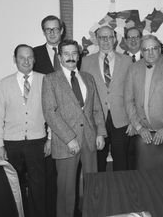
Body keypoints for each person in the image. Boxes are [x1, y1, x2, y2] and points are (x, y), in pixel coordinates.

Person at [42, 39, 107, 217]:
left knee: (93, 186)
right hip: (65, 143)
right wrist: (69, 139)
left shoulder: (88, 78)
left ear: (78, 56)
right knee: (66, 190)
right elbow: (50, 113)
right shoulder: (50, 80)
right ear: (60, 56)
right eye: (66, 54)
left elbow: (96, 108)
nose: (71, 57)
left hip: (90, 139)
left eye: (74, 53)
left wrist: (100, 132)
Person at [0, 44, 50, 217]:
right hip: (10, 143)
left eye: (30, 57)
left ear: (35, 59)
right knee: (12, 185)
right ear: (14, 59)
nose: (26, 61)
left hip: (37, 141)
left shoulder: (45, 80)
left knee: (38, 186)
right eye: (21, 57)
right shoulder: (4, 84)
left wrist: (51, 138)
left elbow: (52, 112)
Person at [81, 25, 132, 172]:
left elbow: (132, 92)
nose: (105, 40)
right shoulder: (86, 61)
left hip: (122, 119)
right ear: (97, 39)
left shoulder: (127, 61)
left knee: (121, 162)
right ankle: (100, 194)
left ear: (115, 39)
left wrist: (133, 120)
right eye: (102, 37)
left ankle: (122, 193)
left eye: (109, 37)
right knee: (98, 163)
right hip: (96, 120)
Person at [124, 34, 163, 148]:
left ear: (160, 49)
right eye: (146, 49)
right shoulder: (133, 69)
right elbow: (128, 100)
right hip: (144, 133)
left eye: (154, 48)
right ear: (141, 52)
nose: (150, 53)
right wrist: (138, 127)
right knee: (146, 165)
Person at [33, 15, 64, 217]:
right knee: (49, 172)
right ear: (43, 32)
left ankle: (67, 210)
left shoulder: (72, 51)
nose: (52, 33)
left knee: (69, 173)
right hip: (45, 122)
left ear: (62, 30)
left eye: (55, 29)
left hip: (71, 121)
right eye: (47, 30)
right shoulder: (34, 54)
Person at [123, 26, 143, 169]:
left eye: (136, 36)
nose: (133, 40)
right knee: (129, 156)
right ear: (125, 41)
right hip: (126, 118)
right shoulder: (118, 61)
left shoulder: (152, 57)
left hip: (148, 117)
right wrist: (132, 119)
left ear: (141, 38)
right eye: (130, 37)